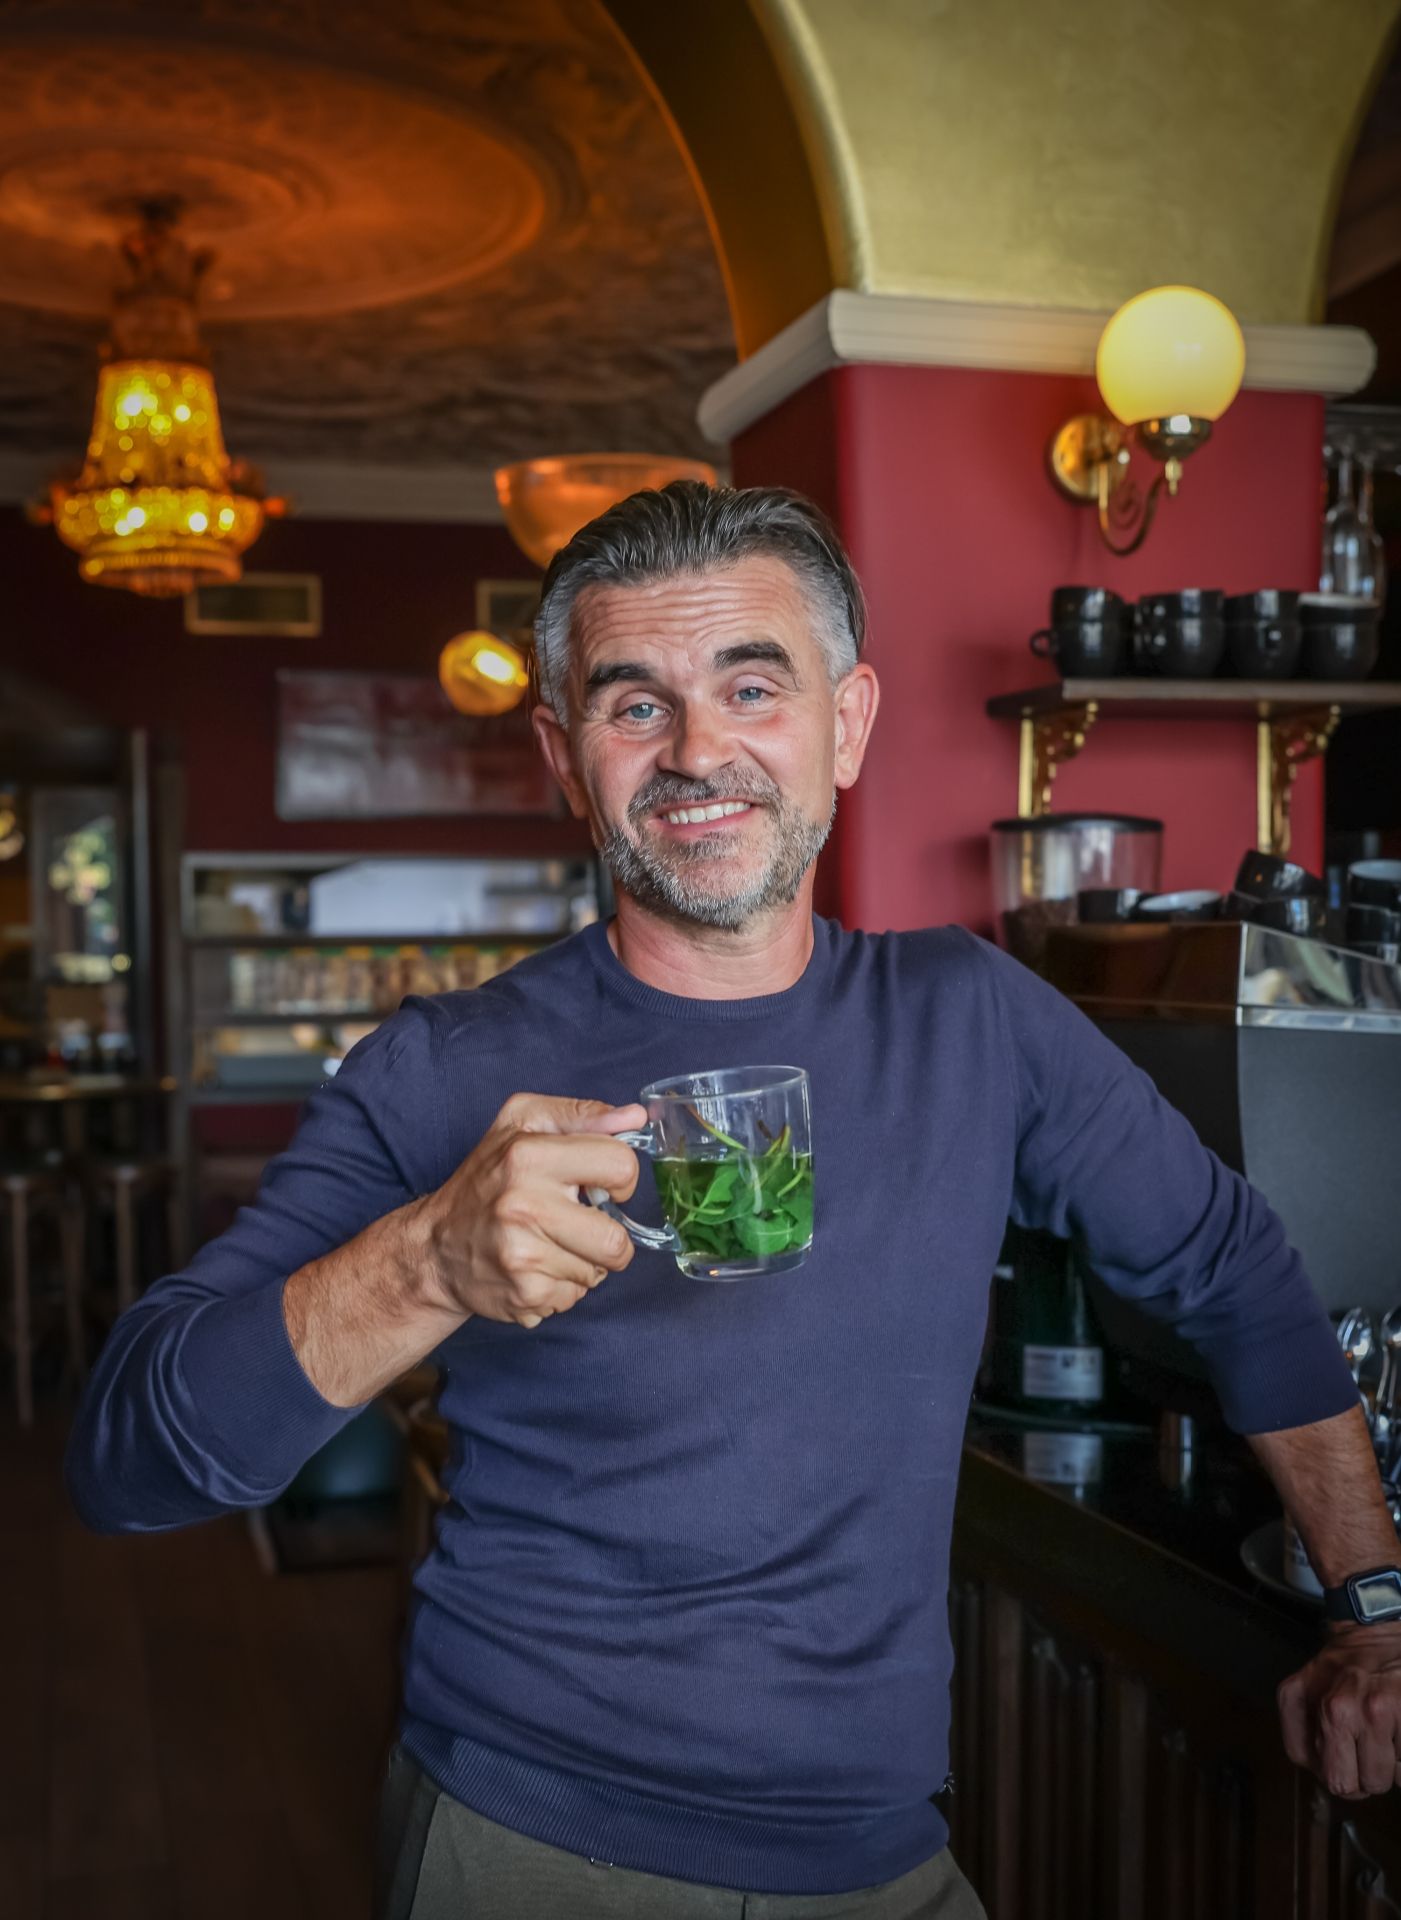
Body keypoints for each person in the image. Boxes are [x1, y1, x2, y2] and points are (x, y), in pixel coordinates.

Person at [68, 483, 1401, 1919]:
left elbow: (1234, 1265)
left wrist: (1375, 1604)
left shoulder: (971, 1018)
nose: (698, 750)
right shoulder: (441, 1067)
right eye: (634, 704)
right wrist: (424, 1265)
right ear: (564, 757)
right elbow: (128, 1463)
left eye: (751, 687)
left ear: (849, 723)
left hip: (884, 1852)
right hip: (528, 1842)